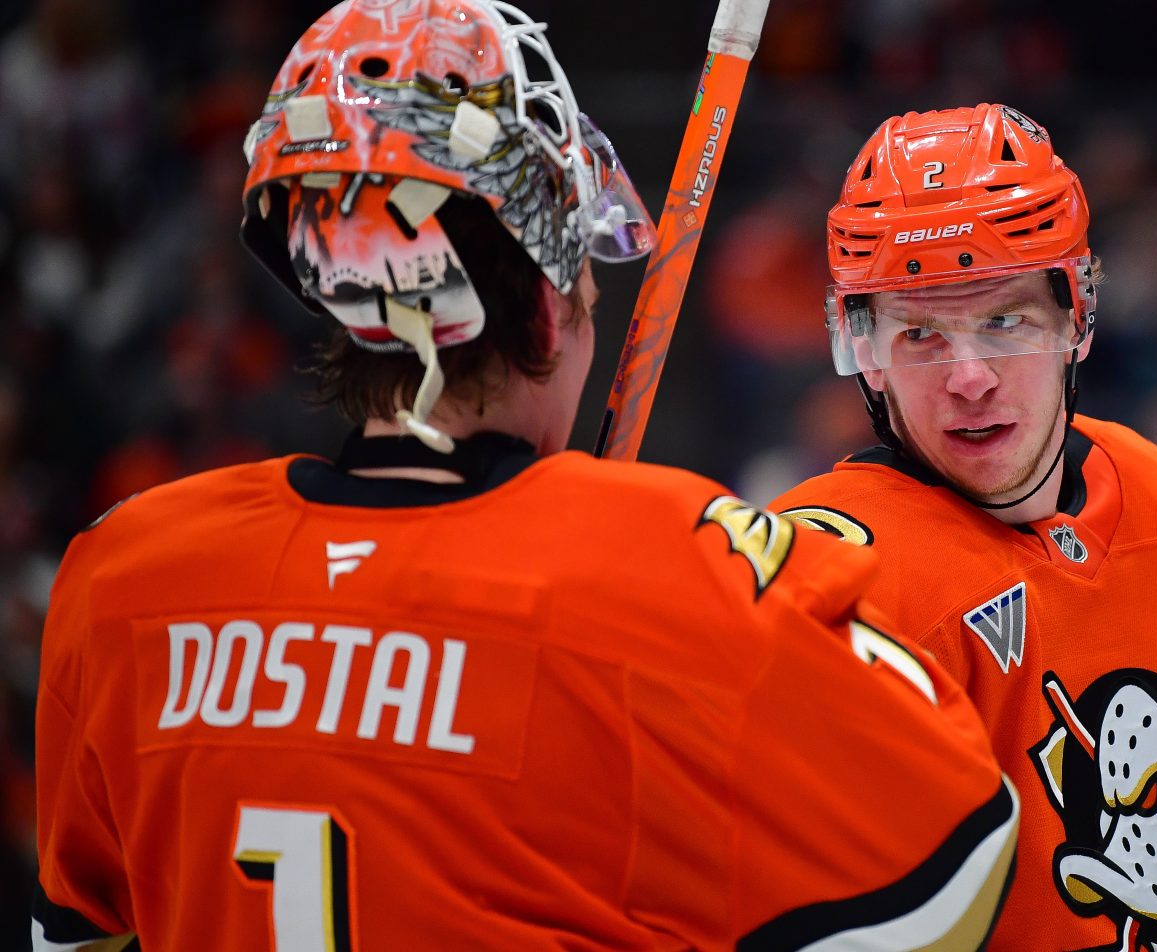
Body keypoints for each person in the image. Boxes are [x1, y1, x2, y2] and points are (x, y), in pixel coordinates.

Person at [31, 6, 1018, 950]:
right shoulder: (658, 569)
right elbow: (956, 868)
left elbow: (84, 930)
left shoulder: (124, 574)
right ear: (548, 311)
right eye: (587, 286)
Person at [772, 103, 1157, 950]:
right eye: (921, 333)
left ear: (1075, 316)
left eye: (1004, 321)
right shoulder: (826, 576)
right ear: (863, 350)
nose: (969, 378)